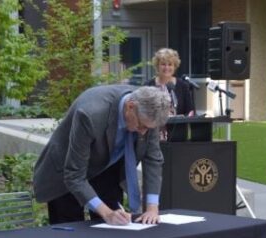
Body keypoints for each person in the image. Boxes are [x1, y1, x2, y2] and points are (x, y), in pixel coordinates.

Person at [33, 85, 171, 225]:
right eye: (141, 126)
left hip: (106, 168)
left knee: (114, 227)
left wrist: (152, 209)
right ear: (130, 106)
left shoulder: (149, 114)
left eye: (148, 128)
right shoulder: (90, 114)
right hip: (65, 173)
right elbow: (74, 175)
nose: (143, 132)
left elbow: (152, 159)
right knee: (70, 235)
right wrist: (107, 213)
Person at [145, 48, 195, 116]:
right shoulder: (148, 85)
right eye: (163, 64)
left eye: (170, 64)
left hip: (179, 125)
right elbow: (144, 111)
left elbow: (190, 111)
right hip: (155, 126)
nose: (166, 67)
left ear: (175, 66)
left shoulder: (183, 86)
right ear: (157, 66)